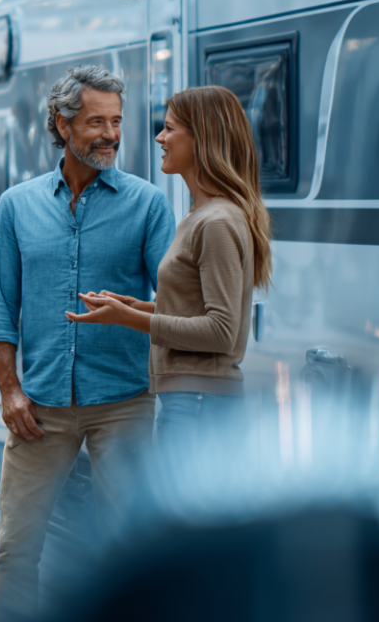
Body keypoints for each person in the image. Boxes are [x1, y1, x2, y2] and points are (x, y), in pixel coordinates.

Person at [0, 65, 175, 620]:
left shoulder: (148, 204)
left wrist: (133, 315)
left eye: (117, 121)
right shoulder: (16, 205)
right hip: (38, 406)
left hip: (124, 401)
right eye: (96, 122)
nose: (111, 135)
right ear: (62, 125)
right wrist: (9, 391)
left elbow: (175, 303)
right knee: (16, 547)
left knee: (131, 551)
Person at [68, 85, 272, 441]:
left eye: (170, 128)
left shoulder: (217, 222)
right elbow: (196, 310)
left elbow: (221, 331)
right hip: (194, 400)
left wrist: (128, 318)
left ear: (202, 138)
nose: (160, 137)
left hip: (199, 404)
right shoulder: (202, 215)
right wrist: (134, 305)